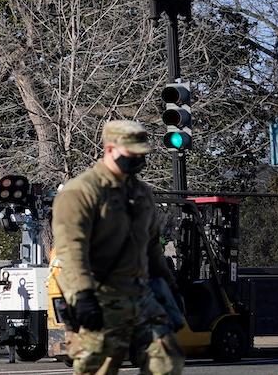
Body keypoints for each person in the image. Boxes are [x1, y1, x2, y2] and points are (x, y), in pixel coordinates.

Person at [52, 120, 184, 375]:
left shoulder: (142, 193)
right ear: (110, 149)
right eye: (132, 153)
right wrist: (82, 295)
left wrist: (170, 286)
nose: (138, 159)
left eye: (141, 153)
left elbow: (152, 248)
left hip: (141, 294)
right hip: (101, 297)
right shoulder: (80, 192)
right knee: (99, 367)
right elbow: (71, 248)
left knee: (166, 361)